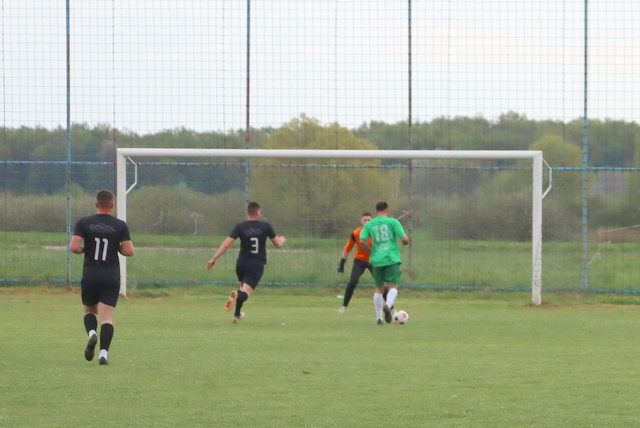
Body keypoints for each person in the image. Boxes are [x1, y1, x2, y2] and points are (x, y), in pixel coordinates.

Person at [70, 189, 135, 365]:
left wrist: (87, 249)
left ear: (96, 204)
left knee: (90, 311)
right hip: (111, 276)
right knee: (107, 318)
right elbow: (129, 251)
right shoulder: (120, 225)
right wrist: (116, 247)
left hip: (91, 274)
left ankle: (92, 333)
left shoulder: (84, 222)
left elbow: (74, 247)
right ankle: (103, 355)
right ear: (112, 205)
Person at [207, 201, 286, 323]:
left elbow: (226, 244)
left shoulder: (240, 227)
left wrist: (214, 258)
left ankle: (237, 315)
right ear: (258, 212)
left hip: (241, 264)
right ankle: (237, 297)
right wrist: (282, 239)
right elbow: (278, 244)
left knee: (243, 288)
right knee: (245, 293)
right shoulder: (265, 226)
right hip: (256, 264)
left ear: (248, 212)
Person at [360, 201, 410, 324]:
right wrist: (406, 241)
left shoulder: (369, 224)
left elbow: (362, 241)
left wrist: (371, 251)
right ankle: (388, 305)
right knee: (393, 286)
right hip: (391, 258)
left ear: (376, 211)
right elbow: (404, 239)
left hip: (377, 259)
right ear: (387, 210)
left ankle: (379, 318)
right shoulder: (393, 222)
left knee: (379, 288)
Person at [337, 212, 373, 313]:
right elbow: (347, 248)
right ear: (361, 221)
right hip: (359, 260)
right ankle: (344, 306)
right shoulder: (356, 233)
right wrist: (342, 264)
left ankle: (391, 308)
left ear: (372, 221)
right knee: (353, 281)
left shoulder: (376, 233)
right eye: (364, 220)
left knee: (380, 283)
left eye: (369, 220)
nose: (366, 222)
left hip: (373, 260)